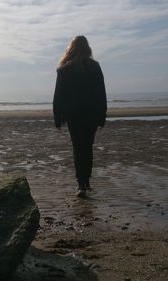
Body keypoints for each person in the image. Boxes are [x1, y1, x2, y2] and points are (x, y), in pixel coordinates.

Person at [53, 35, 107, 198]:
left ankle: (81, 184)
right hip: (91, 114)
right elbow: (101, 93)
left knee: (78, 148)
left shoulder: (64, 69)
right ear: (87, 48)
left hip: (73, 115)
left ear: (71, 49)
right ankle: (86, 181)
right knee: (87, 147)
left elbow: (58, 95)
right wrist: (102, 115)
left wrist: (57, 116)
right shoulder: (95, 67)